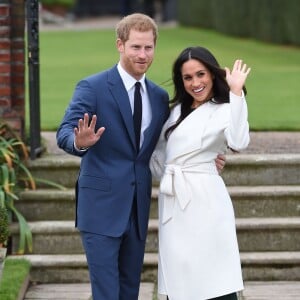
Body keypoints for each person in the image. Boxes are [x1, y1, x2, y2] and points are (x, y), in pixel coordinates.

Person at [56, 13, 226, 299]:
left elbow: (165, 147)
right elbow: (64, 134)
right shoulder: (93, 87)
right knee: (106, 292)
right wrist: (79, 141)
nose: (143, 54)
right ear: (120, 45)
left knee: (129, 290)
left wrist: (204, 159)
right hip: (100, 208)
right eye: (136, 47)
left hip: (137, 209)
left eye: (148, 47)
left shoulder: (159, 96)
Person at [150, 46, 251, 300]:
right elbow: (159, 161)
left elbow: (239, 141)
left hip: (206, 202)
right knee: (180, 277)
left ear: (212, 75)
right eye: (188, 77)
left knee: (213, 274)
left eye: (201, 74)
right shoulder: (174, 113)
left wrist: (236, 92)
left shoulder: (225, 108)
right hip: (174, 201)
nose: (195, 83)